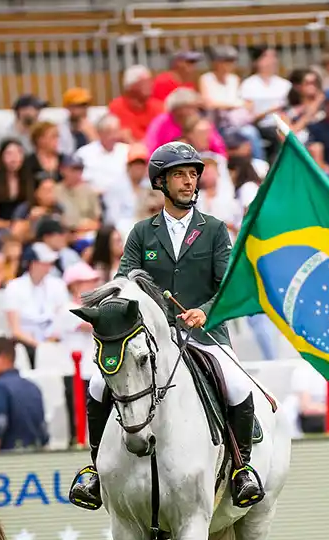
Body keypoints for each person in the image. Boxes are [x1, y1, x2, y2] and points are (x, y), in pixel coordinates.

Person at [69, 141, 265, 511]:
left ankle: (242, 469)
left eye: (193, 175)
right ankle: (94, 470)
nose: (189, 182)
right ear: (161, 182)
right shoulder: (142, 232)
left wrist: (205, 311)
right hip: (152, 339)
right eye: (180, 175)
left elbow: (226, 286)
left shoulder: (214, 230)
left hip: (204, 335)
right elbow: (124, 281)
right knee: (97, 383)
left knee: (238, 385)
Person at [0, 336, 48, 452]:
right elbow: (43, 435)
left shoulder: (0, 388)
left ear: (2, 357)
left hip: (9, 459)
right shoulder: (33, 387)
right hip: (36, 459)